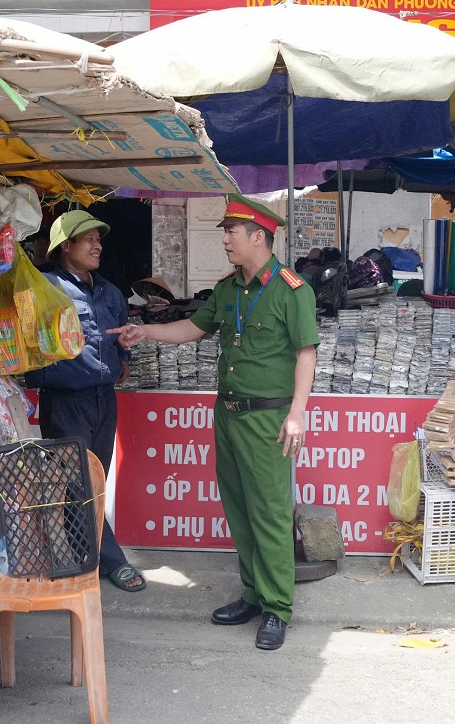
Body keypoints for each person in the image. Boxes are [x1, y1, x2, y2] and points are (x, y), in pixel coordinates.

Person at [109, 193, 319, 651]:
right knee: (240, 510)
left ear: (258, 237)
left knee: (269, 511)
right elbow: (193, 328)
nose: (224, 239)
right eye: (224, 230)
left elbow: (307, 353)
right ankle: (252, 593)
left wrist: (298, 415)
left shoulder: (291, 289)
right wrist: (145, 331)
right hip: (227, 415)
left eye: (231, 231)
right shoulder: (228, 289)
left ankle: (277, 608)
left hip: (269, 419)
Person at [29, 210, 145, 592]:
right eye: (88, 239)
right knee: (79, 483)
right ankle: (111, 561)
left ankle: (82, 561)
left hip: (103, 398)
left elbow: (119, 334)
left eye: (99, 238)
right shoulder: (44, 287)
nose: (97, 245)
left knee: (95, 480)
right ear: (66, 246)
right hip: (64, 400)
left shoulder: (110, 291)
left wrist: (123, 356)